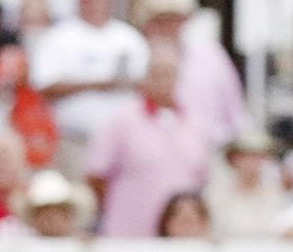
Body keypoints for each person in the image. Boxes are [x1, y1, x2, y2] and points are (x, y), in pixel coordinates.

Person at [85, 42, 210, 238]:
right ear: (145, 77)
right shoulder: (121, 120)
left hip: (179, 240)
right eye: (157, 73)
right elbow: (96, 176)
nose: (163, 80)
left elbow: (201, 180)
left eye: (169, 74)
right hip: (128, 236)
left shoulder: (195, 123)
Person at [28, 0, 148, 178]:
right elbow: (44, 86)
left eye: (96, 0)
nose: (92, 5)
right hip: (75, 140)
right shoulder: (58, 36)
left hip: (123, 142)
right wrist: (98, 84)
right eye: (85, 0)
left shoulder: (128, 37)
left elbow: (146, 83)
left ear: (108, 2)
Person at [142, 0, 247, 149]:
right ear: (149, 25)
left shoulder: (211, 55)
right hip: (159, 149)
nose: (168, 26)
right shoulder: (139, 59)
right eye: (161, 21)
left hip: (213, 145)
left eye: (175, 20)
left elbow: (234, 106)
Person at [0, 29, 58, 167]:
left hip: (26, 166)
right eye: (5, 66)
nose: (10, 75)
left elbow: (43, 142)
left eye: (17, 67)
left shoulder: (34, 101)